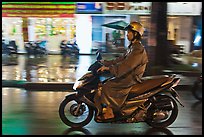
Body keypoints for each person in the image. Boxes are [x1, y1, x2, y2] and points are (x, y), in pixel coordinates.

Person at [94, 21, 149, 121]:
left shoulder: (138, 49)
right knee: (106, 82)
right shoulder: (132, 47)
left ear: (136, 34)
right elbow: (121, 60)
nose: (127, 34)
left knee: (107, 85)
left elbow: (127, 66)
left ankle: (110, 112)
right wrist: (105, 63)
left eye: (129, 32)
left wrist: (109, 68)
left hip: (131, 77)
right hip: (128, 75)